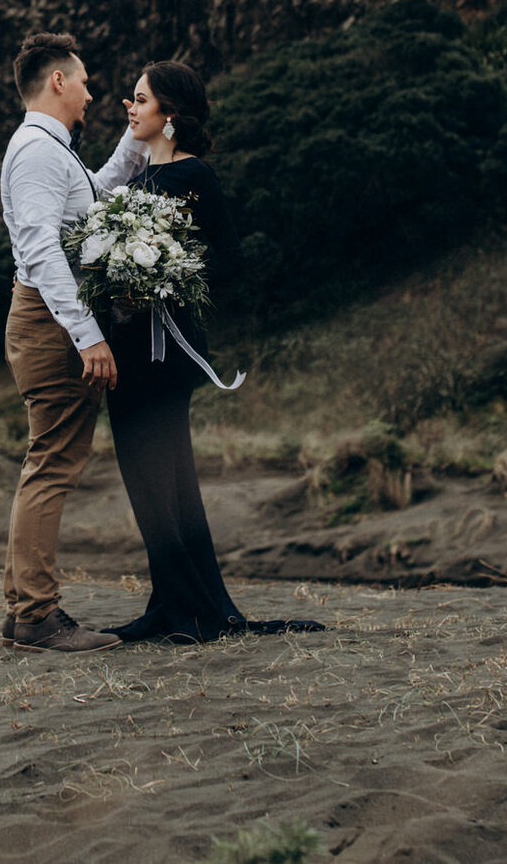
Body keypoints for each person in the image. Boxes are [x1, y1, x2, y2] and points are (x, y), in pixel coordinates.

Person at [101, 60, 322, 643]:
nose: (131, 107)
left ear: (169, 114)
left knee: (158, 479)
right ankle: (177, 605)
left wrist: (166, 277)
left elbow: (229, 259)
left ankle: (189, 610)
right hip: (130, 345)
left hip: (163, 348)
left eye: (141, 100)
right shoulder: (141, 178)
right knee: (160, 481)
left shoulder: (193, 175)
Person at [0, 31, 147, 653]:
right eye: (84, 80)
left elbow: (92, 196)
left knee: (47, 459)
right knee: (53, 462)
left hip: (49, 319)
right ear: (58, 81)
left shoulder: (52, 150)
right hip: (51, 322)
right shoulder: (36, 151)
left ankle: (20, 610)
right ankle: (37, 616)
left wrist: (136, 145)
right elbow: (40, 249)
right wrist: (87, 337)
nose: (92, 93)